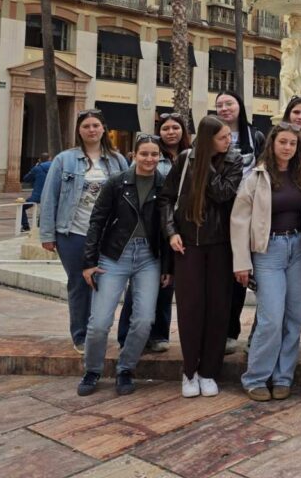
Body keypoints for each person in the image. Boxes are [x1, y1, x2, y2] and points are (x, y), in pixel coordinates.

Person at [76, 135, 168, 397]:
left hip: (149, 257)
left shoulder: (164, 185)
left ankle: (126, 368)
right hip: (115, 255)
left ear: (160, 156)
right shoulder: (117, 183)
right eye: (144, 154)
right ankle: (92, 370)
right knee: (99, 322)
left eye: (154, 154)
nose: (149, 159)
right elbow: (97, 221)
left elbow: (168, 227)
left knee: (144, 320)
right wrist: (89, 262)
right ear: (134, 155)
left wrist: (167, 267)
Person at [159, 115, 243, 397]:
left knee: (218, 309)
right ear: (208, 139)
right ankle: (189, 371)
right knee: (190, 309)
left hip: (221, 244)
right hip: (188, 244)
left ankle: (209, 371)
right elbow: (166, 198)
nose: (228, 141)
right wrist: (171, 232)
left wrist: (204, 162)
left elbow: (223, 193)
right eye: (222, 137)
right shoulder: (185, 159)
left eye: (228, 136)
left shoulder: (233, 160)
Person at [231, 123, 301, 401]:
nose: (287, 147)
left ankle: (283, 376)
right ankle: (255, 377)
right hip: (268, 251)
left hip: (299, 249)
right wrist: (242, 262)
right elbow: (239, 221)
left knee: (295, 316)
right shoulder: (256, 177)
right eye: (282, 142)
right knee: (271, 318)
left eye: (292, 143)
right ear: (272, 144)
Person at [41, 110, 129, 353]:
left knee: (104, 284)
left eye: (96, 125)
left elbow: (127, 196)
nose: (91, 130)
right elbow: (50, 197)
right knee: (79, 284)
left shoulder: (117, 160)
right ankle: (80, 335)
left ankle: (97, 331)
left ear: (103, 129)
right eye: (86, 126)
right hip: (73, 233)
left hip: (108, 234)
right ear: (79, 131)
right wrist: (47, 234)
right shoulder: (64, 160)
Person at [118, 113, 191, 353]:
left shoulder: (190, 156)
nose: (171, 132)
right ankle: (127, 334)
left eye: (175, 128)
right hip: (149, 225)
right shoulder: (149, 154)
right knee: (138, 285)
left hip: (177, 227)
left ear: (183, 131)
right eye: (166, 128)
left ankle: (159, 334)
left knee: (167, 281)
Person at [215, 91, 265, 355]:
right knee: (222, 274)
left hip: (249, 213)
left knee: (242, 274)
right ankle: (220, 330)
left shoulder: (255, 137)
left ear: (240, 106)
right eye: (219, 105)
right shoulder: (210, 135)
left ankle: (234, 332)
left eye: (229, 103)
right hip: (219, 212)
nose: (224, 108)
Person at [20, 153, 51, 232]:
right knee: (44, 210)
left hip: (37, 195)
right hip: (50, 195)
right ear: (49, 158)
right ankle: (40, 227)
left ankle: (25, 227)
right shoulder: (55, 167)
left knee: (22, 208)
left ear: (39, 160)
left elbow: (26, 179)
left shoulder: (37, 168)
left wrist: (35, 168)